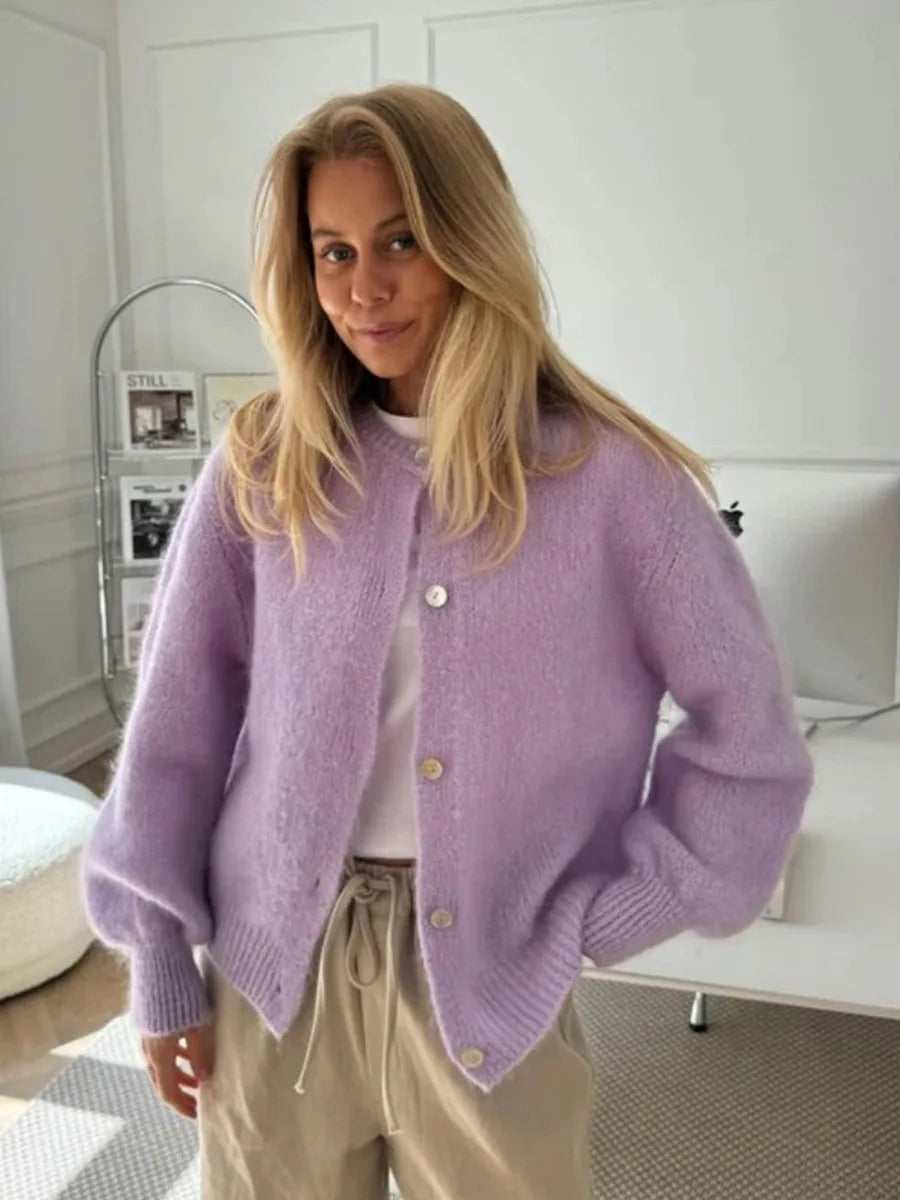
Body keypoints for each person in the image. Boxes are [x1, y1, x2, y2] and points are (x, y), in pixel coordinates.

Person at [80, 83, 814, 1200]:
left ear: (470, 239)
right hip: (273, 971)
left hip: (494, 984)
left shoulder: (613, 481)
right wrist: (160, 965)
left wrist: (608, 914)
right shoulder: (267, 462)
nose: (362, 290)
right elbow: (177, 726)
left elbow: (749, 740)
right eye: (332, 252)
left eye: (401, 241)